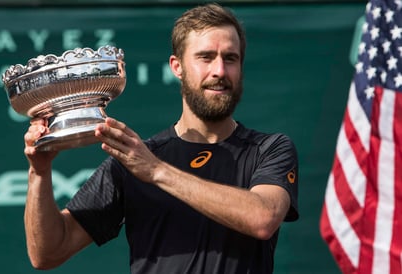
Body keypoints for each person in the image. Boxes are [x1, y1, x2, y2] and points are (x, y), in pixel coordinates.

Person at [23, 3, 299, 274]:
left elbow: (263, 218)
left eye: (230, 58)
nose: (219, 71)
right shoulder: (133, 162)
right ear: (177, 67)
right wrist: (40, 172)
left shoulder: (269, 149)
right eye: (205, 57)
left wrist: (156, 171)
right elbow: (47, 253)